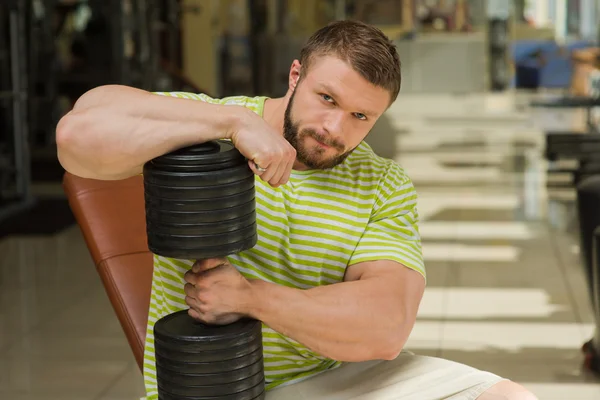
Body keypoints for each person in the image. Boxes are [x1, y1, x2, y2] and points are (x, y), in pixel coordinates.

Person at [56, 19, 538, 400]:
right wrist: (229, 121)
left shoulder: (382, 183)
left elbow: (386, 326)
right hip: (213, 387)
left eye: (360, 116)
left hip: (328, 383)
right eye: (326, 98)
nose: (334, 128)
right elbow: (77, 136)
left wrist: (250, 298)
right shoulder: (206, 128)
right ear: (295, 76)